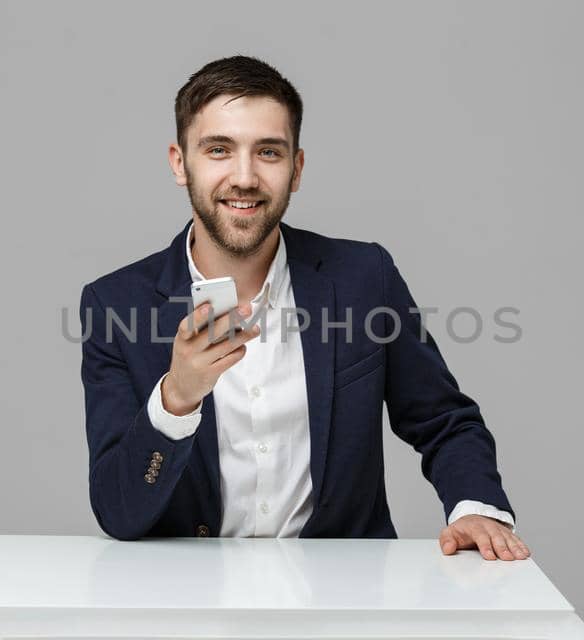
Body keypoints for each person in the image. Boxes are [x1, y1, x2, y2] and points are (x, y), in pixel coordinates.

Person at [79, 56, 529, 560]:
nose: (244, 177)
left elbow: (445, 420)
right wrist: (176, 400)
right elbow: (118, 510)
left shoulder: (364, 279)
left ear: (296, 169)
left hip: (344, 601)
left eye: (268, 152)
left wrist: (475, 508)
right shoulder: (115, 305)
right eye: (219, 150)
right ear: (180, 163)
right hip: (189, 604)